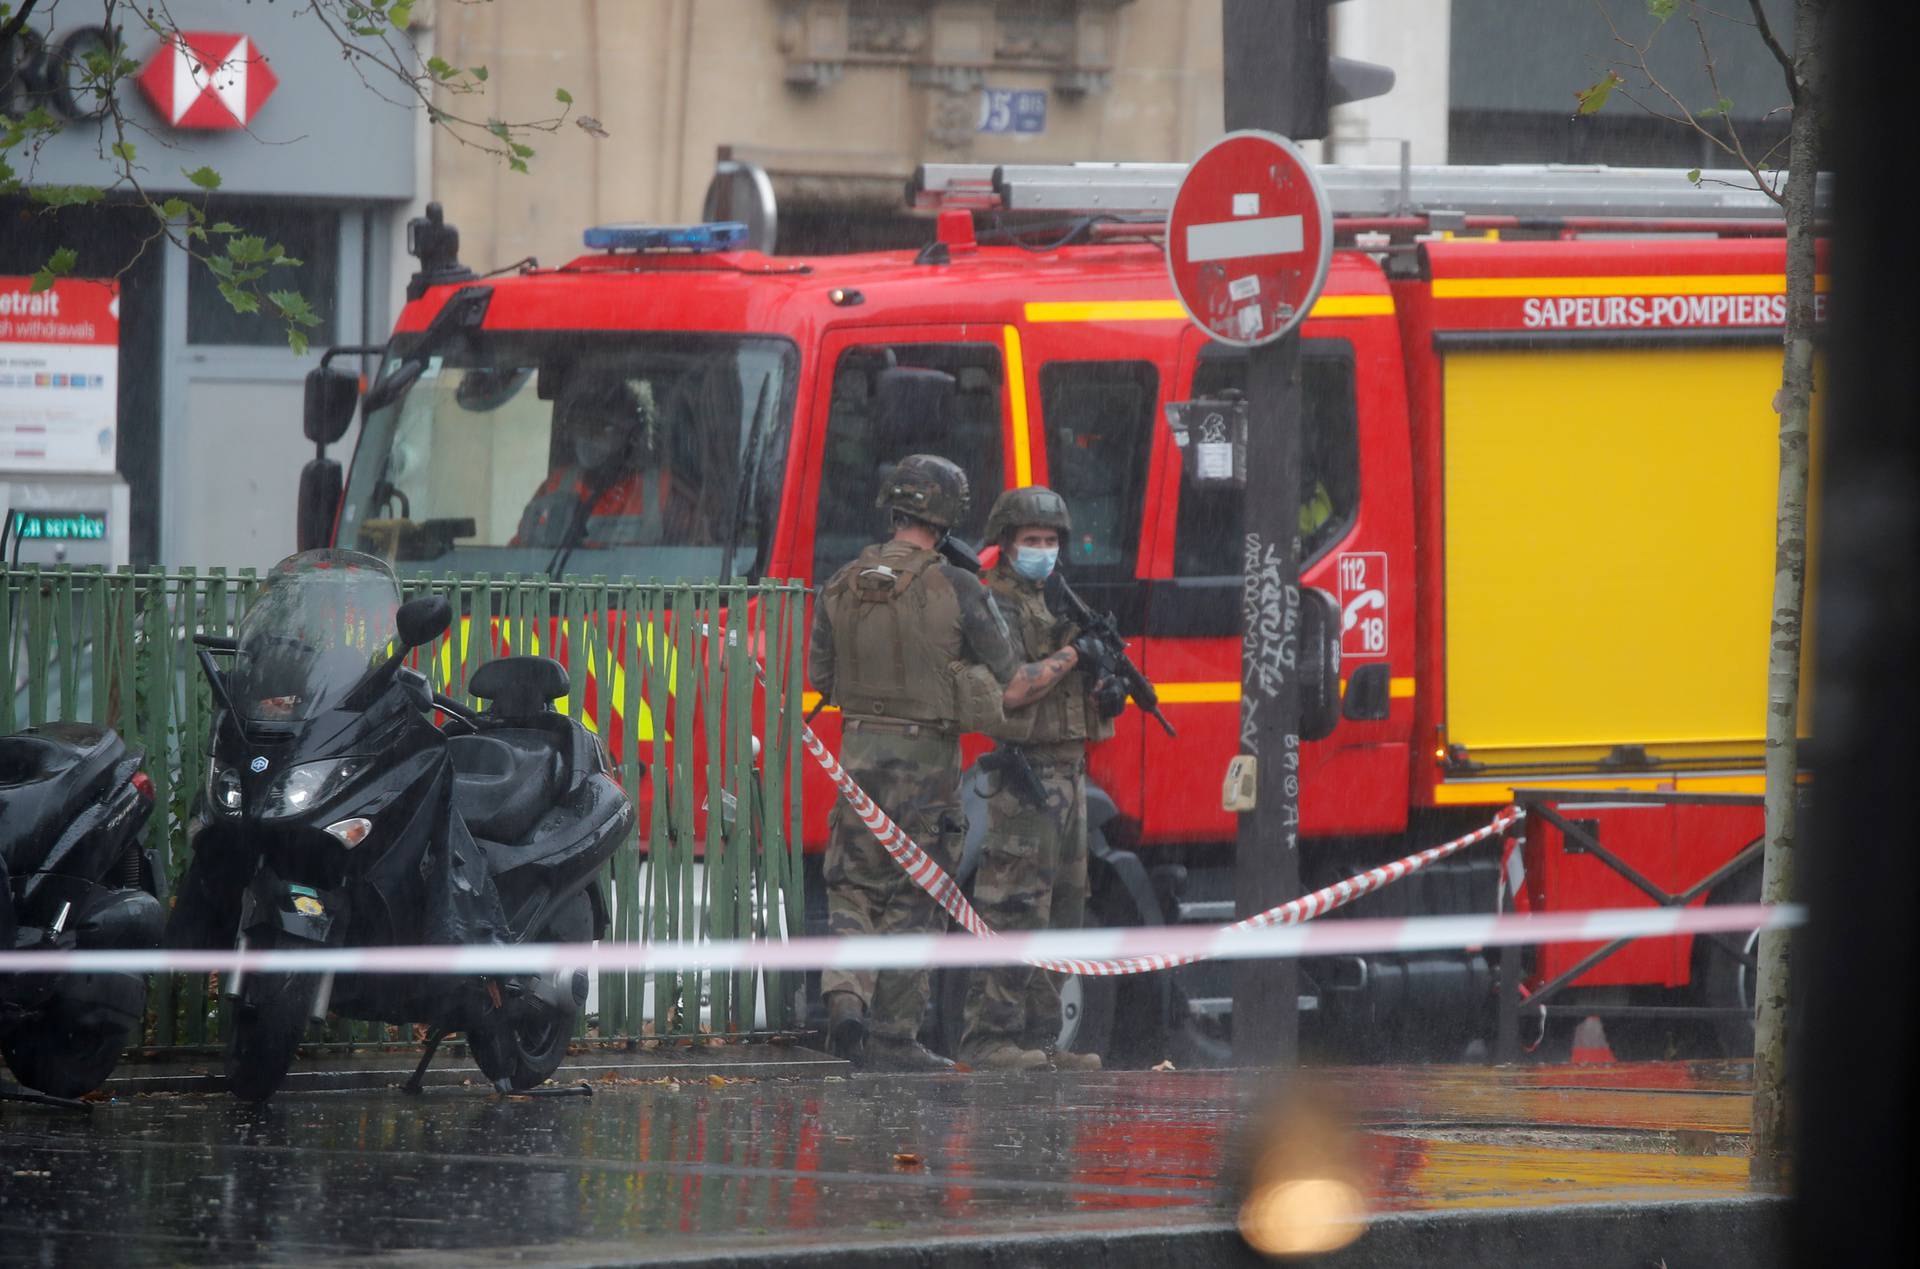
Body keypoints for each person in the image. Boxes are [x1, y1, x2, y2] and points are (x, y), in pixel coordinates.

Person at [808, 456, 1085, 1072]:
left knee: (852, 886)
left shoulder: (843, 579)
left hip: (857, 754)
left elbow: (820, 676)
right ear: (947, 514)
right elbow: (1012, 678)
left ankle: (845, 992)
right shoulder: (959, 586)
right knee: (917, 891)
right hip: (928, 761)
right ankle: (894, 1037)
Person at [959, 485, 1126, 1073]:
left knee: (1063, 913)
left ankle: (1043, 1040)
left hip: (1071, 774)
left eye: (1051, 541)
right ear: (1005, 545)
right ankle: (989, 1039)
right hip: (1026, 778)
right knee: (1014, 907)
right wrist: (1076, 657)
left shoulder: (1056, 601)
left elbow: (1076, 695)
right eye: (1032, 540)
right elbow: (1014, 687)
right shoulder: (994, 604)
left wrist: (1108, 690)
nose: (1043, 550)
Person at [512, 375, 656, 549]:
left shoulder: (660, 490)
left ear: (631, 436)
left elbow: (690, 559)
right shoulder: (556, 484)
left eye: (603, 427)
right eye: (582, 425)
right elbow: (518, 557)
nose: (589, 436)